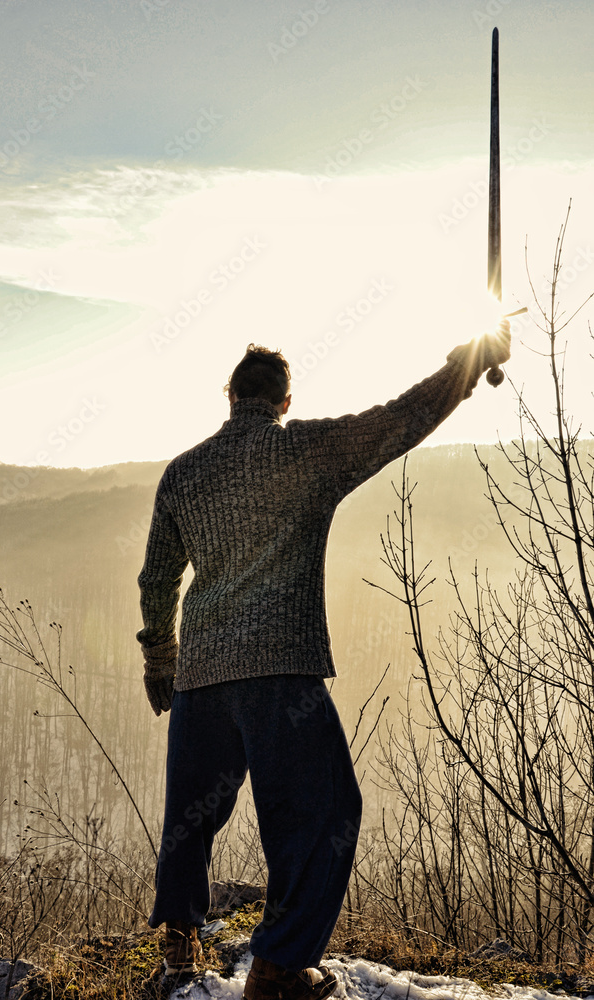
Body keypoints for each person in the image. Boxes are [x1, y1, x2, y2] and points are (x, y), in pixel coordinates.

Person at [136, 322, 511, 1000]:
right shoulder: (304, 451)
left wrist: (161, 657)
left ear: (230, 397)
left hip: (201, 674)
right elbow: (400, 420)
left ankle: (179, 948)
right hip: (280, 669)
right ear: (284, 402)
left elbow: (157, 578)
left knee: (190, 814)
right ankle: (278, 969)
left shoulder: (183, 473)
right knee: (323, 813)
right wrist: (468, 362)